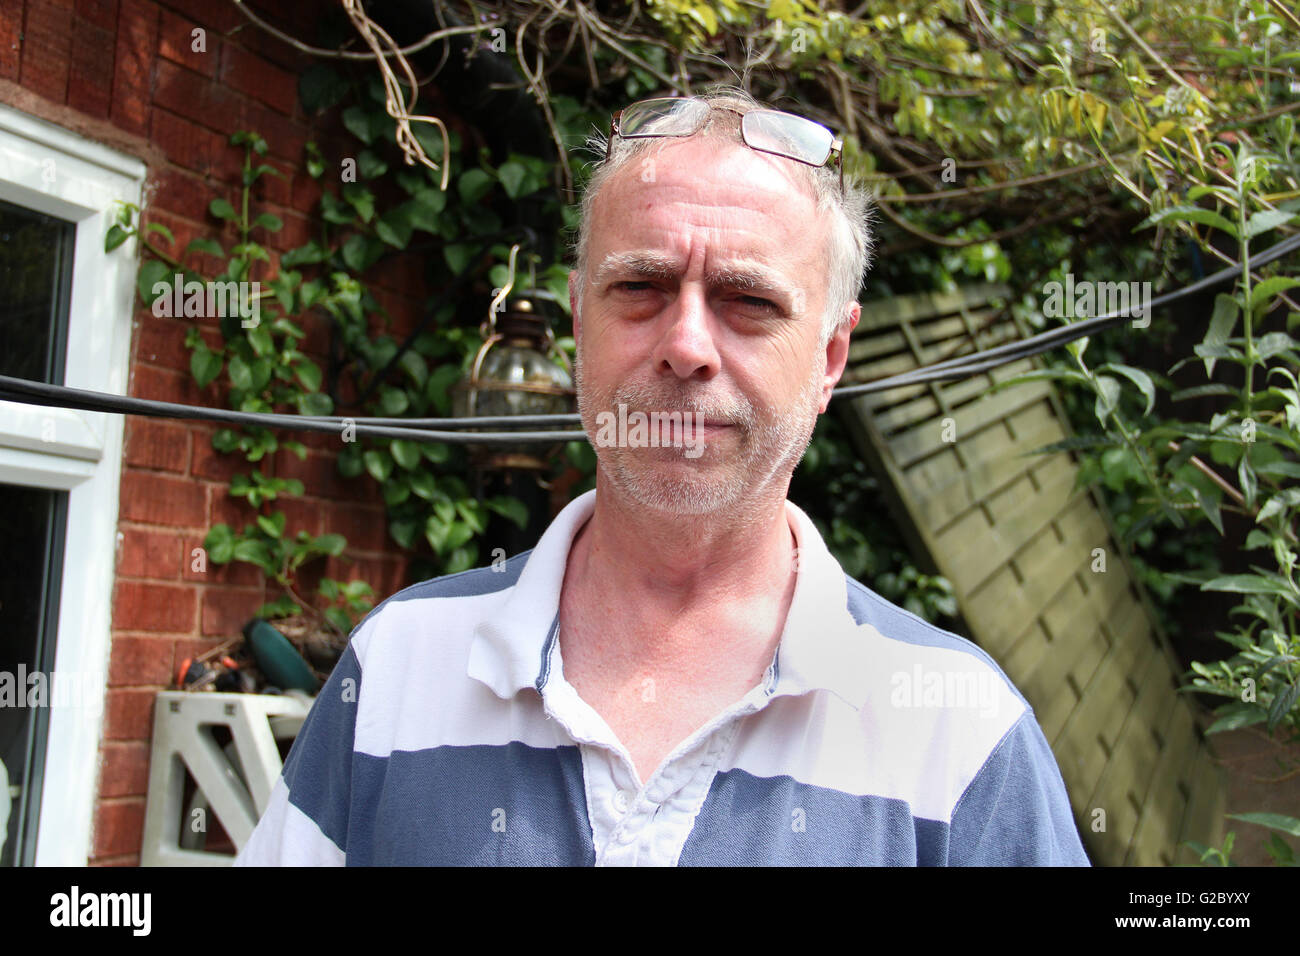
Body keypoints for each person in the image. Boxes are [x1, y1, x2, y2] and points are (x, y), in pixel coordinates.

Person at [235, 88, 1090, 866]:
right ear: (578, 318)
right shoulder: (397, 670)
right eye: (640, 285)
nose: (686, 346)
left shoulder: (959, 731)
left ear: (831, 356)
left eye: (748, 302)